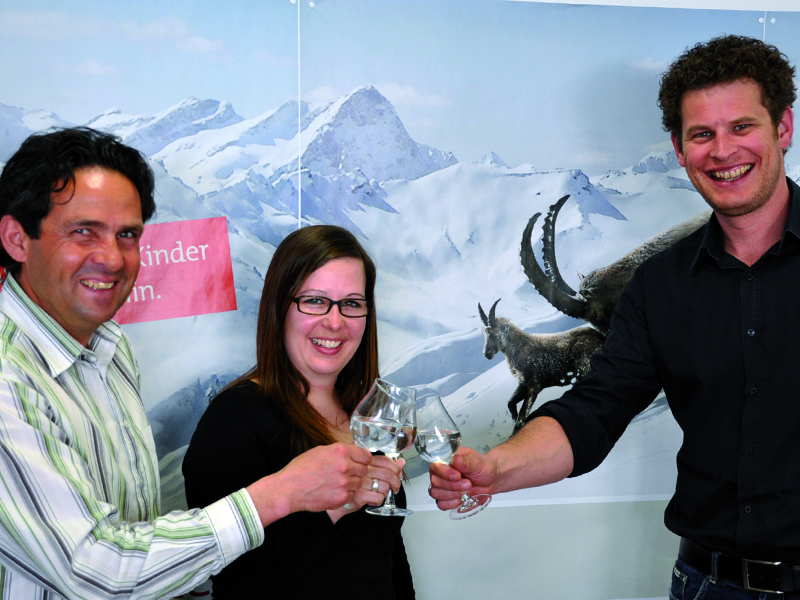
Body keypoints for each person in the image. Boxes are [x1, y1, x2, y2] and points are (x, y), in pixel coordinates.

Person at [430, 34, 800, 598]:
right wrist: (497, 468)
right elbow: (595, 409)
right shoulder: (659, 286)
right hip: (707, 584)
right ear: (680, 149)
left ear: (783, 128)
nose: (723, 151)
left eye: (742, 126)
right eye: (702, 134)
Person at [0, 127, 374, 599]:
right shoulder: (9, 377)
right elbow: (96, 573)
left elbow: (138, 533)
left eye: (127, 235)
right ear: (17, 238)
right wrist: (280, 494)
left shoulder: (110, 348)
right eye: (83, 231)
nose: (112, 258)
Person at [182, 224, 415, 599]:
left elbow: (386, 558)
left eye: (352, 304)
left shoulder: (367, 418)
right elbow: (235, 578)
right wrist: (339, 505)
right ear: (280, 307)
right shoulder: (234, 419)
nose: (335, 321)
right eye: (315, 301)